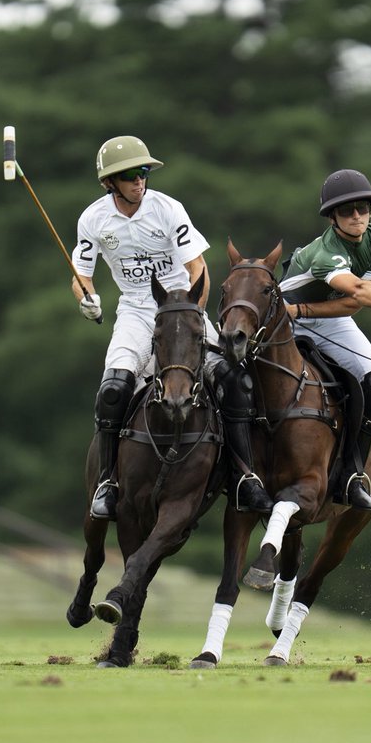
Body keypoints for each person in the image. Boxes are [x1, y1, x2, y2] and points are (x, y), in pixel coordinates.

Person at [72, 135, 273, 520]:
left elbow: (198, 269)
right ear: (109, 182)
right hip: (134, 310)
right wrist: (87, 297)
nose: (140, 181)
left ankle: (246, 476)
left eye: (144, 172)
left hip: (181, 308)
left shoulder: (167, 209)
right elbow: (81, 274)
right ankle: (108, 483)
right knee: (113, 388)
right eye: (130, 174)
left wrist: (190, 314)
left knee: (234, 379)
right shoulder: (93, 219)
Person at [278, 168, 371, 509]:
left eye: (362, 207)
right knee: (233, 377)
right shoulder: (324, 251)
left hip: (324, 318)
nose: (356, 215)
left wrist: (305, 311)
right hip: (282, 320)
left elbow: (354, 303)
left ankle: (352, 474)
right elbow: (359, 289)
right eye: (346, 210)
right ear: (333, 217)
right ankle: (239, 471)